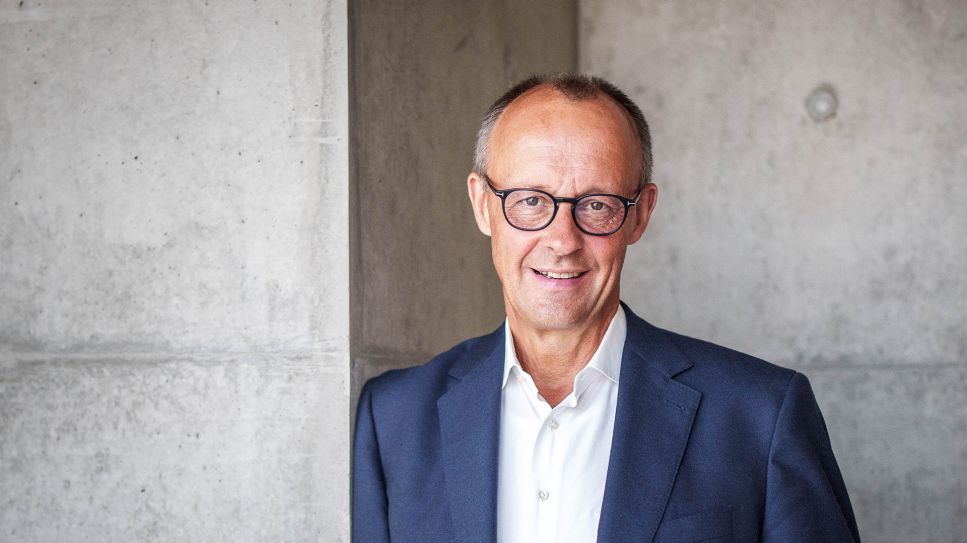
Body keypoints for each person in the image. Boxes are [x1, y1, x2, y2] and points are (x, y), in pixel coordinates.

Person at [353, 74, 861, 543]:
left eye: (596, 204)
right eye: (530, 200)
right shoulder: (394, 419)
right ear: (482, 205)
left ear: (639, 216)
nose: (561, 240)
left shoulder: (760, 416)